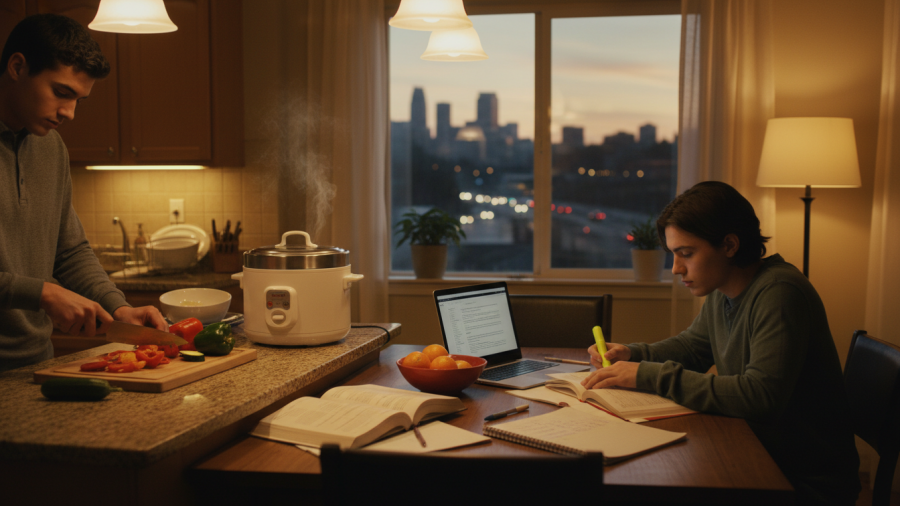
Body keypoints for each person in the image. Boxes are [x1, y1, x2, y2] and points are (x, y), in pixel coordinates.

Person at [582, 181, 860, 506]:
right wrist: (632, 354)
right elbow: (691, 349)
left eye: (686, 253)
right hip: (759, 453)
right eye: (674, 255)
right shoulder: (724, 290)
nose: (676, 268)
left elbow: (760, 397)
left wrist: (645, 374)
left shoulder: (781, 293)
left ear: (729, 245)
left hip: (801, 479)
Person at [0, 14, 167, 373]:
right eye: (61, 93)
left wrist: (118, 307)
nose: (69, 113)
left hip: (34, 364)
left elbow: (70, 252)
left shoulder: (51, 148)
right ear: (17, 67)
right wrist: (43, 292)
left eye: (79, 99)